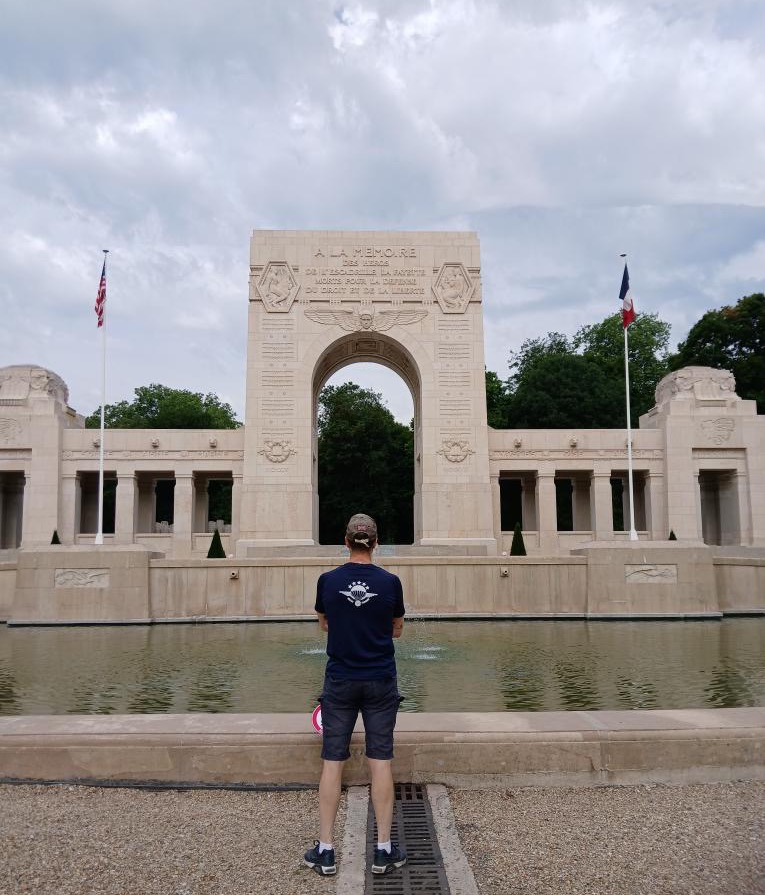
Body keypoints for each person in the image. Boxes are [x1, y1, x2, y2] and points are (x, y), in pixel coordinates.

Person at [304, 513, 407, 877]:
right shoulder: (391, 582)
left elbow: (324, 622)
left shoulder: (328, 581)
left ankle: (327, 850)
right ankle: (382, 849)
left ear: (345, 542)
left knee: (333, 761)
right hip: (380, 679)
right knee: (381, 761)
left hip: (341, 680)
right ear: (375, 543)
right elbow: (397, 629)